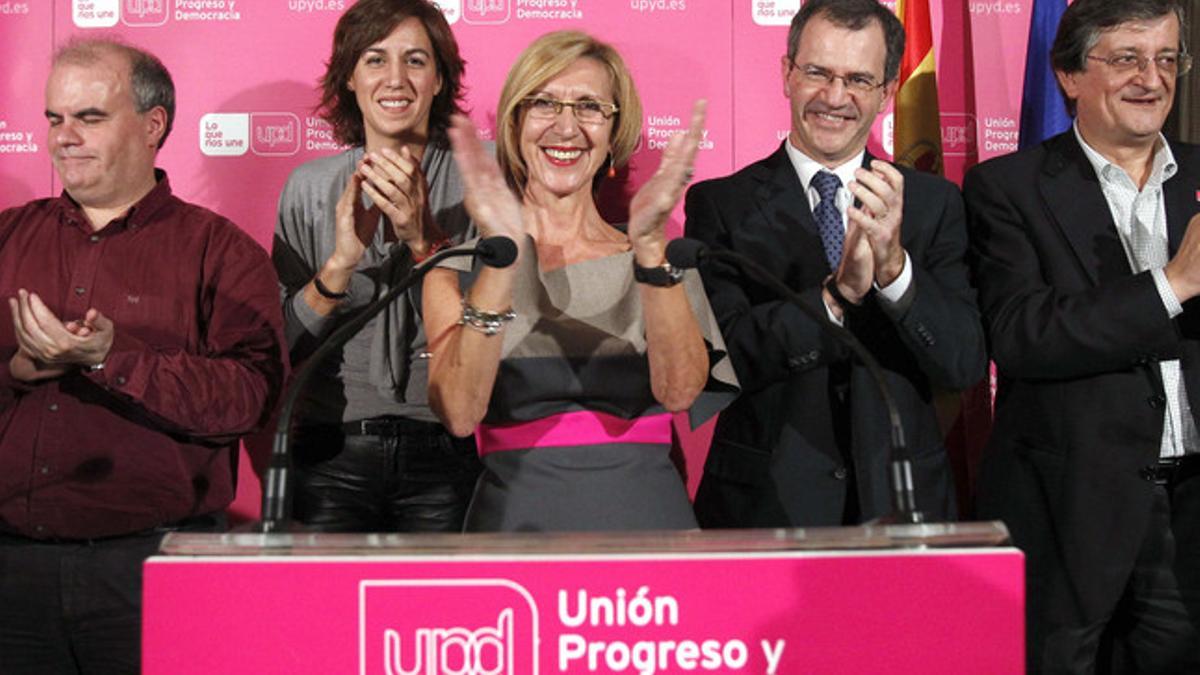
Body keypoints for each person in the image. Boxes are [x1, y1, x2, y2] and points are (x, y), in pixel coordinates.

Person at [0, 39, 285, 674]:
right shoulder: (8, 237)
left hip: (154, 570)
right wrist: (17, 371)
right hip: (11, 573)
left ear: (153, 125)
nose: (64, 137)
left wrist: (112, 359)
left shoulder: (222, 252)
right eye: (54, 119)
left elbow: (250, 397)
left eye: (89, 117)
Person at [685, 0, 986, 527]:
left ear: (888, 92)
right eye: (818, 73)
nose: (834, 97)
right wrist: (836, 297)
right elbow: (720, 364)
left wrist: (894, 272)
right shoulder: (722, 205)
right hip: (765, 508)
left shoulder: (933, 203)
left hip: (899, 506)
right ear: (787, 74)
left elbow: (961, 363)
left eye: (858, 79)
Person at [422, 31, 738, 532]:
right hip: (516, 533)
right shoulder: (457, 270)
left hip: (649, 530)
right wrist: (503, 265)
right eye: (544, 103)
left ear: (614, 133)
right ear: (516, 123)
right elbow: (460, 415)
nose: (566, 127)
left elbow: (679, 392)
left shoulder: (658, 257)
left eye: (590, 107)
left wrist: (651, 251)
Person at [965, 0, 1200, 670]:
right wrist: (1173, 283)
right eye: (1126, 58)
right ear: (1068, 75)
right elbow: (1021, 334)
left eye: (1165, 59)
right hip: (1068, 512)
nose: (1151, 79)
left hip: (1189, 516)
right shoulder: (1006, 188)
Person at [272, 0, 481, 533]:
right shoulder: (310, 187)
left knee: (440, 615)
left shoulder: (484, 182)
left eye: (415, 60)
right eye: (374, 59)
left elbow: (498, 329)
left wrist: (423, 239)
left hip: (444, 446)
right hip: (328, 447)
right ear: (348, 78)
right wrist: (340, 264)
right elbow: (283, 347)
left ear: (439, 80)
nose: (396, 79)